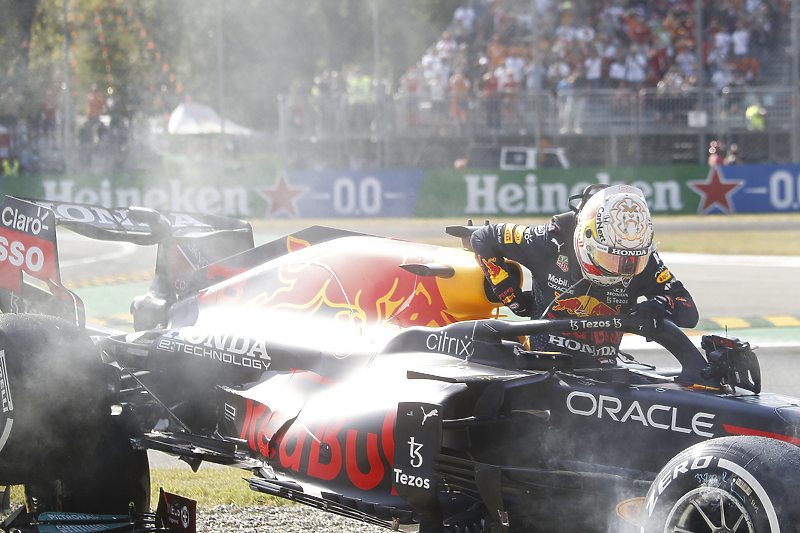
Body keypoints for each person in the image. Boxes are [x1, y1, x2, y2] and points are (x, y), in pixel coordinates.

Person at [470, 184, 698, 368]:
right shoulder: (550, 240)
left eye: (632, 261)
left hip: (603, 372)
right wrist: (514, 299)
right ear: (585, 240)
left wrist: (661, 304)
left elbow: (688, 310)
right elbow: (483, 238)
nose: (621, 269)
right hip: (541, 368)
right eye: (612, 258)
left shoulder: (638, 255)